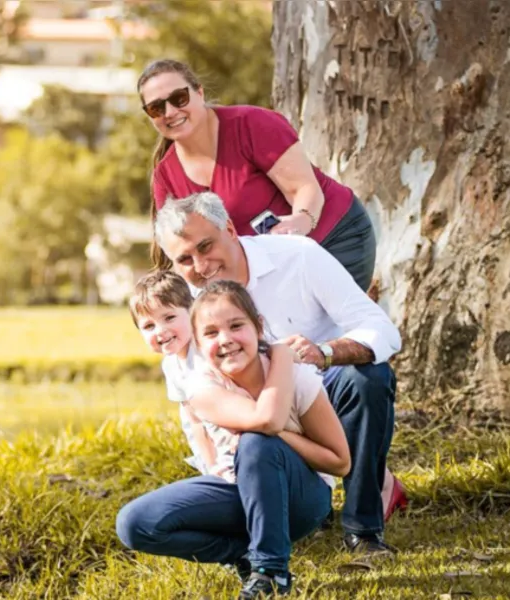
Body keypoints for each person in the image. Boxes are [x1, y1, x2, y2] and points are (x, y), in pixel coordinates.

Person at [150, 191, 403, 555]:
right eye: (185, 259)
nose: (201, 266)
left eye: (206, 246)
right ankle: (289, 515)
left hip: (319, 392)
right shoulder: (183, 304)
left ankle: (363, 529)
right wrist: (214, 469)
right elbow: (189, 402)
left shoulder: (298, 256)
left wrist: (324, 352)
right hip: (254, 424)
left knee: (368, 379)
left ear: (230, 229)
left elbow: (381, 330)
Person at [117, 280, 350, 598]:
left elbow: (340, 462)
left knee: (256, 443)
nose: (225, 339)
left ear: (258, 327)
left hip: (301, 500)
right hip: (239, 490)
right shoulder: (201, 388)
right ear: (199, 342)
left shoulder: (295, 378)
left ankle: (270, 571)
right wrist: (282, 357)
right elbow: (266, 420)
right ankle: (241, 554)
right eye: (211, 333)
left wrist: (279, 425)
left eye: (236, 326)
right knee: (135, 523)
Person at [137, 58, 377, 292]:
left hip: (335, 238)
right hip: (272, 266)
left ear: (199, 92)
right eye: (156, 108)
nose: (170, 111)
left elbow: (303, 188)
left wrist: (299, 223)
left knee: (322, 320)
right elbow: (177, 246)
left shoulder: (251, 124)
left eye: (179, 98)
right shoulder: (165, 176)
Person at [126, 269, 292, 478]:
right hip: (217, 442)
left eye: (169, 317)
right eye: (149, 326)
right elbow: (194, 421)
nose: (160, 330)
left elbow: (247, 400)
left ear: (192, 313)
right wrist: (211, 466)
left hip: (249, 431)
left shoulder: (211, 353)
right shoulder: (171, 365)